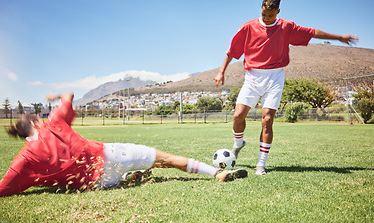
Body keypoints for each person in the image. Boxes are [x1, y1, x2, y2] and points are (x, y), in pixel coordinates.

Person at [215, 0, 358, 175]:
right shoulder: (248, 27)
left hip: (275, 77)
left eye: (270, 15)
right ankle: (238, 144)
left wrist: (338, 37)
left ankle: (261, 163)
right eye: (264, 14)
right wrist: (221, 71)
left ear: (278, 12)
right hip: (252, 77)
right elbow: (231, 51)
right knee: (237, 116)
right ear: (261, 9)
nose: (267, 19)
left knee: (267, 120)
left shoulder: (286, 27)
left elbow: (312, 32)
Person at [0, 92, 247, 198]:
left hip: (98, 184)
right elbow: (69, 95)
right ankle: (216, 173)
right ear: (36, 120)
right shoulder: (52, 123)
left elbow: (4, 188)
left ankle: (131, 177)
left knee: (119, 180)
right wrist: (56, 96)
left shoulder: (24, 160)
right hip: (113, 155)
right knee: (168, 160)